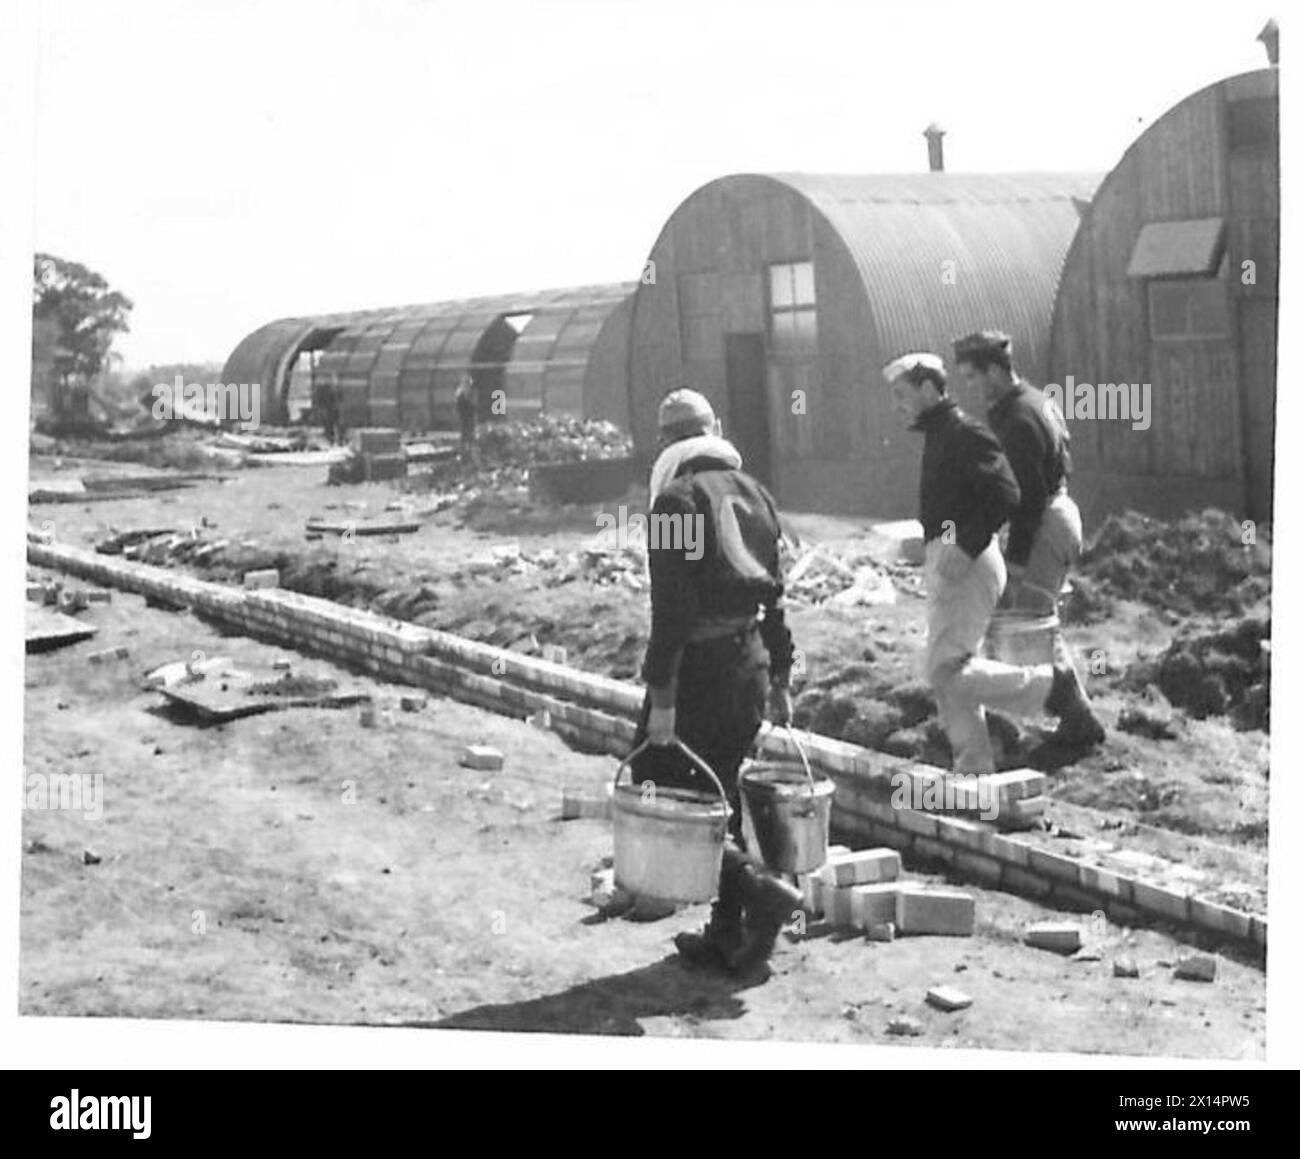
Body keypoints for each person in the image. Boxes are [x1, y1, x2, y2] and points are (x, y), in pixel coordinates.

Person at [631, 387, 802, 976]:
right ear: (716, 427)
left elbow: (672, 615)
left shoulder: (674, 504)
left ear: (664, 444)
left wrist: (662, 701)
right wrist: (781, 674)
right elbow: (774, 597)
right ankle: (728, 933)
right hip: (749, 663)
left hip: (699, 672)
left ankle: (760, 891)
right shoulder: (757, 493)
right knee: (723, 793)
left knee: (657, 779)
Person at [882, 352, 1104, 777]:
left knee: (944, 671)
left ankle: (1051, 688)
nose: (898, 405)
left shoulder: (963, 432)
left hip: (967, 565)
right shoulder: (943, 432)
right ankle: (975, 768)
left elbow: (1006, 492)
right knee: (951, 669)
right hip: (953, 561)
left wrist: (964, 545)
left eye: (902, 394)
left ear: (929, 388)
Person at [952, 331, 1080, 619]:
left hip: (1044, 525)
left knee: (1022, 623)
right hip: (1057, 516)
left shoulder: (1019, 420)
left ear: (994, 371)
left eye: (972, 377)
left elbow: (1028, 499)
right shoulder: (1035, 400)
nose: (969, 387)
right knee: (1037, 625)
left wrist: (1016, 564)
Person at [454, 372, 477, 461]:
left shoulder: (465, 393)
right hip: (465, 418)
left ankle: (468, 453)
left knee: (468, 436)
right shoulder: (461, 394)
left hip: (467, 418)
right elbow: (463, 407)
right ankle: (465, 453)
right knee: (466, 436)